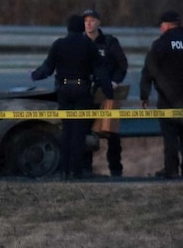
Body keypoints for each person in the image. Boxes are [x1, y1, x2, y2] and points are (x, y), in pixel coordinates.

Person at [31, 15, 114, 179]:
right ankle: (76, 170)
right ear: (81, 28)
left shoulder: (59, 45)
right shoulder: (88, 46)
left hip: (64, 91)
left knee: (66, 131)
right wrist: (108, 92)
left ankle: (64, 170)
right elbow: (101, 71)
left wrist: (34, 75)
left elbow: (47, 68)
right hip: (82, 90)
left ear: (68, 28)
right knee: (79, 133)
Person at [140, 10, 183, 178]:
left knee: (170, 135)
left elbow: (148, 71)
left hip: (167, 97)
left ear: (167, 25)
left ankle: (171, 169)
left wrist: (144, 95)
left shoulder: (160, 44)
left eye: (162, 25)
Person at [80, 9, 129, 177]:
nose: (88, 23)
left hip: (108, 93)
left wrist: (115, 81)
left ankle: (116, 169)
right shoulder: (80, 42)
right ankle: (87, 169)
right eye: (86, 20)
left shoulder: (109, 42)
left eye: (92, 20)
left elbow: (122, 64)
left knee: (112, 134)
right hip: (86, 93)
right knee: (85, 131)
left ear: (99, 22)